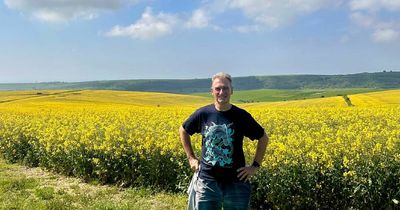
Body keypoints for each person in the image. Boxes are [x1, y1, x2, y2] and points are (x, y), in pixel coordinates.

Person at [179, 72, 269, 210]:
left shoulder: (241, 116)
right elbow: (183, 130)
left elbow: (263, 138)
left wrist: (255, 166)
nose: (222, 92)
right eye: (218, 89)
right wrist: (191, 157)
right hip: (207, 182)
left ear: (232, 90)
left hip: (236, 183)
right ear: (212, 91)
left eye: (225, 88)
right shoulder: (203, 114)